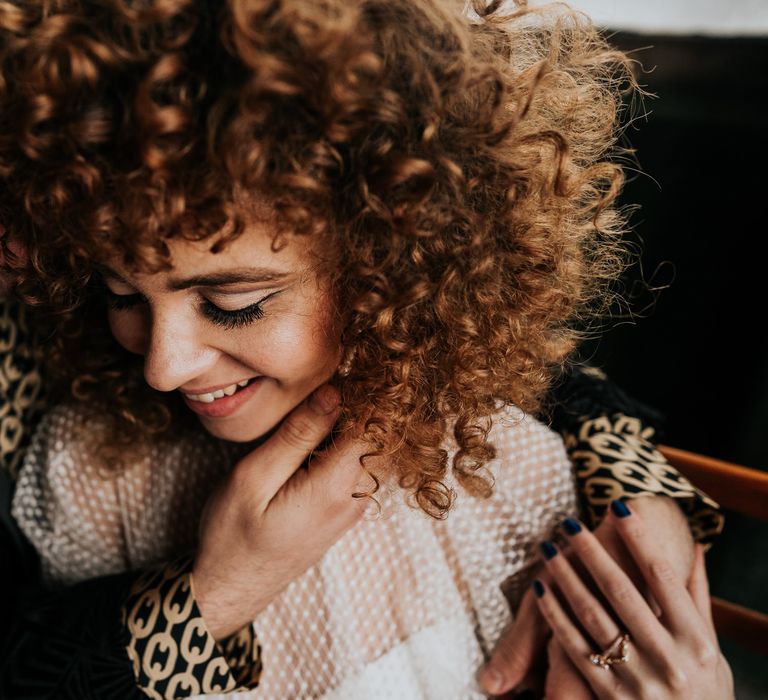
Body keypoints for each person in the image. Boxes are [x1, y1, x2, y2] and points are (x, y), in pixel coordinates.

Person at [0, 0, 728, 697]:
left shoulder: (514, 469)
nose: (162, 368)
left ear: (396, 263)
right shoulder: (87, 477)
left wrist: (632, 488)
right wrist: (221, 588)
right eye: (119, 294)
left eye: (234, 304)